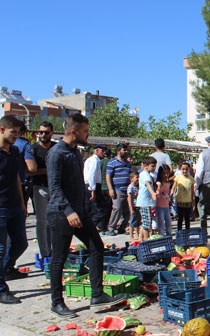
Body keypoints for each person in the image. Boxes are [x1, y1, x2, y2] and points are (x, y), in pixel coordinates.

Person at [47, 113, 126, 317]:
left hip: (79, 212)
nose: (88, 134)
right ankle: (56, 303)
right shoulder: (57, 153)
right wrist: (68, 211)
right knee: (59, 258)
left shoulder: (75, 152)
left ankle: (97, 295)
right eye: (85, 131)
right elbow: (54, 187)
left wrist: (81, 207)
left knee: (97, 246)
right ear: (74, 131)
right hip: (61, 214)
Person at [0, 115, 28, 304]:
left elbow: (17, 177)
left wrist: (22, 201)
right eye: (13, 132)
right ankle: (1, 289)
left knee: (21, 243)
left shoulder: (16, 151)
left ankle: (7, 269)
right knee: (0, 248)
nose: (16, 136)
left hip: (14, 205)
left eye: (18, 133)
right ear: (2, 130)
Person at [26, 121, 56, 261]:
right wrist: (50, 170)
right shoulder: (33, 149)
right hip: (40, 187)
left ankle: (54, 250)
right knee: (42, 221)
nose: (43, 135)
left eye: (46, 132)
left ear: (52, 133)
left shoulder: (56, 148)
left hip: (55, 188)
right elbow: (31, 170)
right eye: (41, 132)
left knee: (54, 220)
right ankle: (45, 253)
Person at [106, 143, 131, 236]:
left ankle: (122, 228)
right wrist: (110, 188)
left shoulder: (127, 163)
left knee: (127, 211)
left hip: (127, 189)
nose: (125, 151)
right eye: (124, 150)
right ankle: (111, 228)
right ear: (118, 151)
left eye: (126, 150)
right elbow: (108, 176)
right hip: (117, 189)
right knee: (117, 208)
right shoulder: (112, 162)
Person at [84, 144, 107, 232]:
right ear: (96, 150)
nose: (103, 153)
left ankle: (89, 227)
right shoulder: (94, 160)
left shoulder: (93, 160)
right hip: (92, 186)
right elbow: (91, 175)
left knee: (91, 208)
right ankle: (90, 227)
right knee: (98, 209)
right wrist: (93, 189)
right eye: (102, 151)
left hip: (92, 185)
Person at [136, 156, 158, 241]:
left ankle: (141, 239)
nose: (154, 168)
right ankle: (146, 240)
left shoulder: (147, 174)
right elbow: (147, 184)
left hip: (146, 202)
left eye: (154, 166)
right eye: (152, 166)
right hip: (144, 202)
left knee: (145, 221)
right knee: (147, 223)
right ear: (145, 166)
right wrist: (152, 193)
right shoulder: (145, 174)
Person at [172, 161, 196, 231]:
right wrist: (171, 195)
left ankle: (187, 232)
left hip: (188, 202)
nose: (184, 171)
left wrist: (193, 202)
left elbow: (192, 191)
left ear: (189, 169)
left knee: (187, 218)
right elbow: (173, 187)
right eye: (183, 169)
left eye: (186, 169)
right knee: (180, 218)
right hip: (179, 201)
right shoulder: (178, 178)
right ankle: (179, 231)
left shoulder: (191, 179)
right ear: (180, 169)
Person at [155, 164, 172, 236]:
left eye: (167, 173)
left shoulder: (168, 183)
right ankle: (162, 237)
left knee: (168, 223)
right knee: (161, 224)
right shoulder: (159, 183)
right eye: (164, 173)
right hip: (159, 206)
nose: (166, 175)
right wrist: (159, 186)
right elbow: (157, 193)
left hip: (166, 206)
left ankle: (169, 237)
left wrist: (171, 200)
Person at [99, 148, 112, 234]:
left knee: (102, 207)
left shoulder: (100, 162)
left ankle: (101, 226)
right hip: (108, 187)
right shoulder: (110, 162)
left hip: (100, 186)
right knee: (108, 208)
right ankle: (105, 227)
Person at [127, 172, 141, 242]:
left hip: (138, 206)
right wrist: (131, 208)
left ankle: (137, 234)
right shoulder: (130, 187)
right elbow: (129, 197)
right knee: (132, 221)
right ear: (131, 179)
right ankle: (131, 236)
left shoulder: (136, 186)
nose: (138, 179)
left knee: (138, 221)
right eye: (136, 177)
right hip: (133, 206)